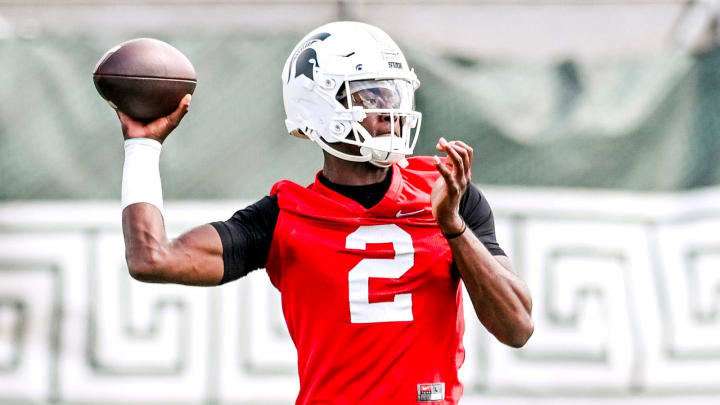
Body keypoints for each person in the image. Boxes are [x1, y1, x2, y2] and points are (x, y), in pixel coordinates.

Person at [117, 21, 533, 405]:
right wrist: (142, 147)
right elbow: (152, 258)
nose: (392, 111)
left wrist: (453, 227)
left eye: (396, 93)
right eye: (372, 95)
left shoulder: (448, 191)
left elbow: (516, 328)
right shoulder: (284, 216)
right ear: (317, 106)